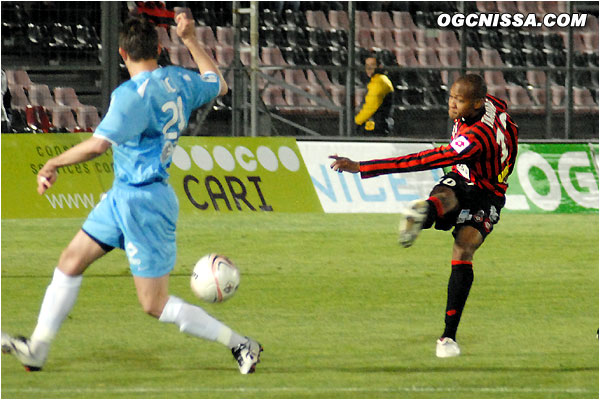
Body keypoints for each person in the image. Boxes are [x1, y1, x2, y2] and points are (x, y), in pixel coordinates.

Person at [1, 13, 262, 374]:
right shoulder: (177, 80)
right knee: (70, 261)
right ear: (158, 48)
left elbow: (97, 146)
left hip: (145, 202)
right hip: (123, 196)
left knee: (153, 304)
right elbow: (218, 85)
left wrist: (53, 164)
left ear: (122, 54)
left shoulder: (129, 96)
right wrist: (188, 39)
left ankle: (241, 344)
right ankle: (38, 349)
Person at [330, 74, 518, 358]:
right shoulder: (492, 104)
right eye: (452, 96)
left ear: (478, 103)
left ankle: (426, 213)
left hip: (487, 190)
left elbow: (422, 160)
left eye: (460, 100)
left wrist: (363, 167)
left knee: (464, 245)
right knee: (454, 215)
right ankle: (447, 340)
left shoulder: (475, 139)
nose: (453, 104)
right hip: (467, 175)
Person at [354, 53, 394, 137]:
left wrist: (357, 121)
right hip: (378, 125)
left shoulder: (379, 82)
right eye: (367, 65)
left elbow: (371, 107)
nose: (369, 68)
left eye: (372, 65)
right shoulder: (377, 80)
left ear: (379, 66)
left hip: (376, 128)